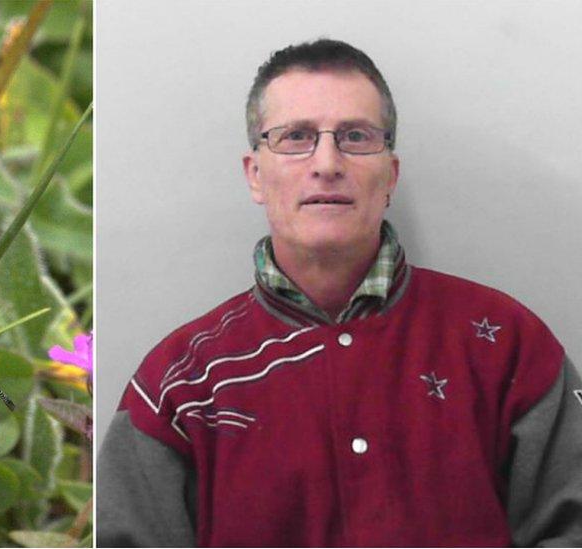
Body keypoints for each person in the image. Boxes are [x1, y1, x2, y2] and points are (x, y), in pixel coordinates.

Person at [96, 38, 582, 547]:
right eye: (295, 137)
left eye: (355, 136)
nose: (326, 162)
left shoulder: (506, 343)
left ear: (390, 175)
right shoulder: (177, 385)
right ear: (255, 175)